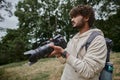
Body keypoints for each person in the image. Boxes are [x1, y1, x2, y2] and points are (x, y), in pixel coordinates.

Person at [49, 5, 107, 80]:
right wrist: (58, 53)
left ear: (86, 18)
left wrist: (64, 53)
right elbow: (64, 61)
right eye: (71, 17)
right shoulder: (74, 38)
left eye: (75, 16)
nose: (72, 20)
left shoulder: (97, 40)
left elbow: (88, 71)